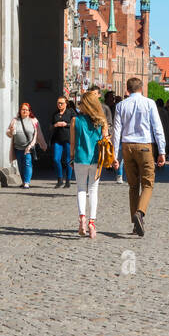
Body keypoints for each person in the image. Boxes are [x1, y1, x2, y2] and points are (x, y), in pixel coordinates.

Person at [112, 77, 166, 237]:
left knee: (133, 186)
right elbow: (157, 127)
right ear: (141, 88)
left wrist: (115, 155)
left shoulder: (121, 105)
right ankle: (140, 213)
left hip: (127, 146)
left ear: (127, 89)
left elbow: (116, 131)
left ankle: (136, 226)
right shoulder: (149, 103)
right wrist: (162, 151)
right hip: (144, 146)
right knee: (148, 183)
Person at [70, 88, 109, 239]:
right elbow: (106, 142)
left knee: (81, 189)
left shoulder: (75, 120)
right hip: (96, 159)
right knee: (93, 190)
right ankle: (92, 223)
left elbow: (72, 142)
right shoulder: (102, 121)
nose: (79, 105)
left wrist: (71, 157)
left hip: (80, 158)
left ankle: (82, 218)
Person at [6, 102, 46, 188]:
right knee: (20, 165)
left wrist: (43, 145)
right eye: (23, 109)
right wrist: (11, 131)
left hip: (28, 147)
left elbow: (38, 134)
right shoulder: (15, 120)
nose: (24, 111)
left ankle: (27, 182)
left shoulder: (33, 120)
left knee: (28, 164)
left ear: (29, 111)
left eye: (26, 110)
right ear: (20, 111)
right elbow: (8, 133)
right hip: (17, 147)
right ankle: (24, 181)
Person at [51, 96, 73, 189]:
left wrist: (66, 124)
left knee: (68, 161)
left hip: (68, 138)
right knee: (56, 159)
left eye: (61, 103)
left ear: (66, 103)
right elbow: (51, 126)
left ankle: (68, 180)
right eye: (58, 103)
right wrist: (55, 125)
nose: (59, 105)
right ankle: (60, 179)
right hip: (57, 139)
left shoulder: (71, 112)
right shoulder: (55, 114)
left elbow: (75, 124)